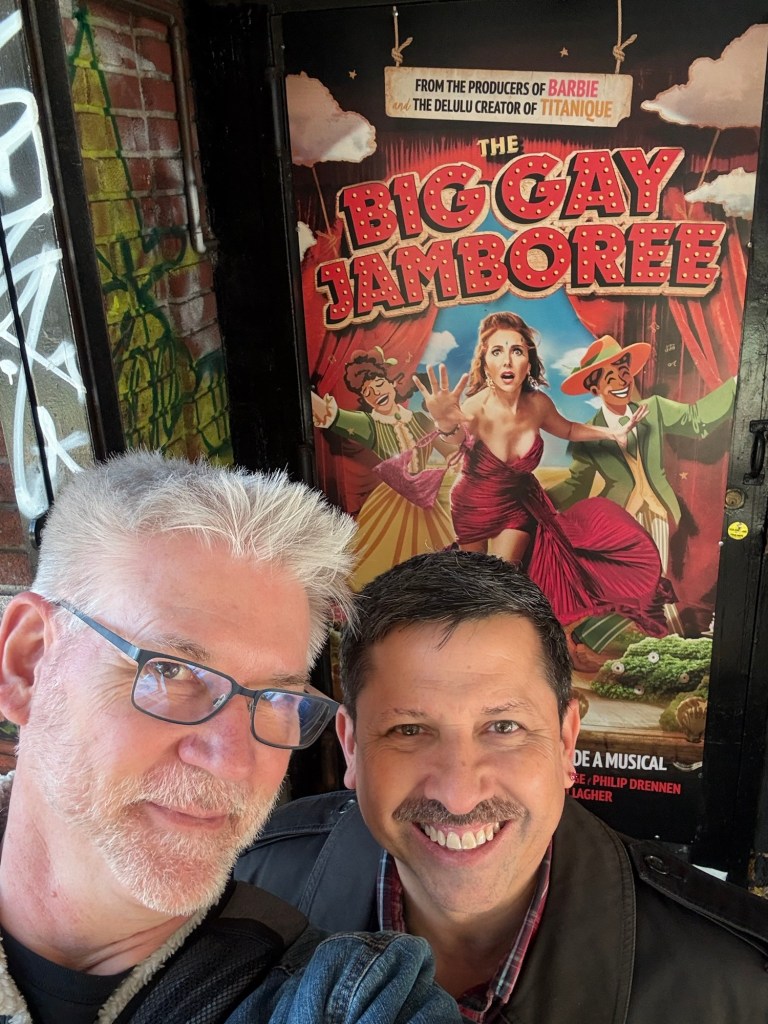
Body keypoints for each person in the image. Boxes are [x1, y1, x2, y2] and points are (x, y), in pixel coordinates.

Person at [0, 452, 460, 1024]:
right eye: (171, 672)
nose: (233, 760)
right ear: (27, 665)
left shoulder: (345, 999)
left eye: (276, 698)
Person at [237, 550, 768, 1023]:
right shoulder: (243, 893)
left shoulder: (740, 983)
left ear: (565, 741)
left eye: (504, 727)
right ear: (351, 746)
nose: (459, 794)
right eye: (410, 730)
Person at [414, 311, 672, 641]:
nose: (507, 360)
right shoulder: (475, 406)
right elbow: (454, 441)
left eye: (517, 350)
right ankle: (473, 641)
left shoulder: (538, 404)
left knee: (502, 579)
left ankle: (508, 644)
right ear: (486, 362)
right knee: (473, 582)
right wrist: (444, 423)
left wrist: (612, 433)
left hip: (517, 505)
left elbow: (569, 429)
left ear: (528, 361)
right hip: (472, 506)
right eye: (497, 351)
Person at [549, 334, 737, 650]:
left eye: (624, 372)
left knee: (654, 586)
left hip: (659, 514)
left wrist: (735, 384)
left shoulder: (654, 410)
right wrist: (535, 500)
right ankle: (629, 644)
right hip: (619, 523)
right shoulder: (588, 434)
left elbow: (696, 420)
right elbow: (575, 484)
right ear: (594, 388)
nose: (621, 381)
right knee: (635, 589)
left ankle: (653, 644)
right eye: (610, 377)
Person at [312, 347, 458, 589]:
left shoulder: (420, 419)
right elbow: (331, 415)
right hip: (394, 500)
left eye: (379, 384)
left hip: (429, 494)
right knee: (394, 561)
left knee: (445, 554)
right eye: (367, 392)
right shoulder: (369, 424)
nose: (375, 393)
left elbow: (452, 450)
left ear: (392, 385)